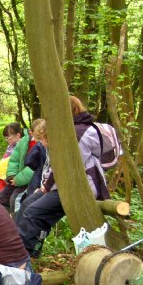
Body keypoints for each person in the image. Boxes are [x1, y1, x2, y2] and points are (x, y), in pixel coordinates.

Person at [17, 98, 110, 257]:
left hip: (76, 187)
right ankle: (16, 245)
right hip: (61, 185)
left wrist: (47, 186)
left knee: (34, 212)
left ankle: (26, 253)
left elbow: (67, 165)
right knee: (27, 203)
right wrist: (46, 186)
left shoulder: (78, 133)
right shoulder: (66, 131)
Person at [11, 119, 47, 215]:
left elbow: (29, 163)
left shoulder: (39, 146)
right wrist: (11, 174)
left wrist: (18, 179)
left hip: (34, 181)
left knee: (19, 199)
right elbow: (14, 159)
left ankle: (17, 221)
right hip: (40, 181)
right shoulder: (24, 141)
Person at [0, 123, 28, 209]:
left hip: (19, 178)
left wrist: (16, 178)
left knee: (13, 199)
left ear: (18, 135)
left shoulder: (24, 145)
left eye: (8, 137)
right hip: (10, 176)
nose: (6, 140)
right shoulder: (11, 146)